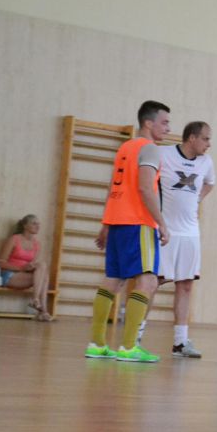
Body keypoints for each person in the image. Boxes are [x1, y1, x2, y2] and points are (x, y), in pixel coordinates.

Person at [85, 100, 170, 363]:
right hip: (139, 223)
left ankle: (97, 344)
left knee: (113, 280)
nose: (168, 128)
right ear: (148, 122)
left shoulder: (125, 147)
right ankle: (129, 346)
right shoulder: (150, 149)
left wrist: (106, 224)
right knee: (148, 281)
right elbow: (145, 188)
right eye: (164, 122)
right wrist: (162, 223)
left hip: (118, 222)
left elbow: (114, 188)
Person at [137, 121, 215, 358]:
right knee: (152, 283)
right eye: (206, 139)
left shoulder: (206, 162)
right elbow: (146, 182)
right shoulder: (163, 154)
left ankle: (180, 342)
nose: (209, 144)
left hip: (190, 233)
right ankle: (135, 336)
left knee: (186, 285)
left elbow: (210, 183)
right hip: (165, 231)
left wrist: (197, 199)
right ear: (192, 138)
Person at [0, 214, 52, 321]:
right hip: (9, 275)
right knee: (44, 276)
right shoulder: (14, 239)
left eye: (38, 224)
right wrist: (21, 268)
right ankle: (42, 310)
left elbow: (34, 266)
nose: (38, 226)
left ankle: (37, 302)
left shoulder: (37, 244)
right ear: (25, 225)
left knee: (43, 268)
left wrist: (30, 267)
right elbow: (0, 262)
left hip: (24, 276)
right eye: (34, 223)